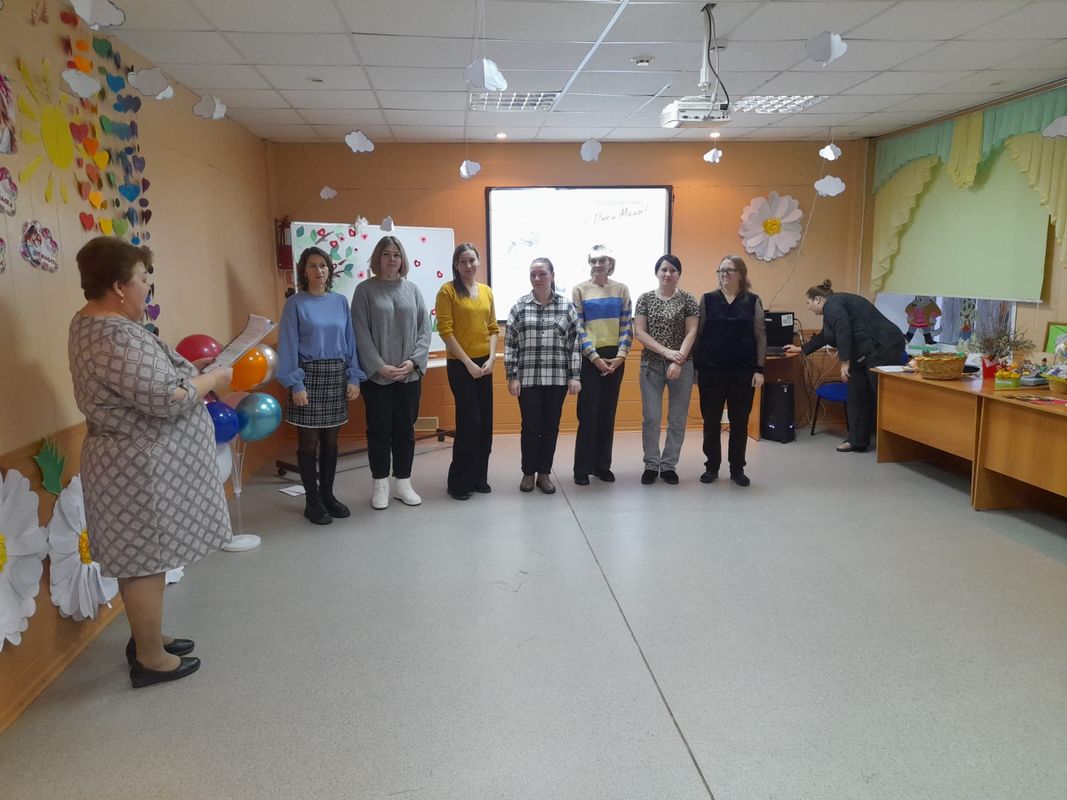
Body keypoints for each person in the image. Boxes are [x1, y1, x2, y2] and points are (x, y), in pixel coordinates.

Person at [68, 236, 234, 688]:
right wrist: (213, 380)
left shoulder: (91, 323)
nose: (147, 287)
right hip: (137, 469)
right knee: (145, 559)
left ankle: (146, 637)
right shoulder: (113, 334)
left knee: (139, 557)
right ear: (119, 287)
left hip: (125, 462)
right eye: (143, 279)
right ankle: (150, 659)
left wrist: (194, 371)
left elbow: (147, 382)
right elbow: (165, 399)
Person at [277, 247, 365, 525]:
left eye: (323, 265)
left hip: (336, 375)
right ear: (304, 272)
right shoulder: (295, 304)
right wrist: (296, 384)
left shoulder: (340, 302)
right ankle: (312, 501)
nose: (319, 270)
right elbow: (288, 344)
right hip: (308, 377)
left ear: (330, 270)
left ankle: (328, 495)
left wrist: (353, 376)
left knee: (331, 442)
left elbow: (350, 341)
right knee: (309, 443)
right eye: (313, 266)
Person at [351, 236, 430, 510]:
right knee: (379, 430)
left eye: (396, 254)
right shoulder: (364, 290)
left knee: (405, 430)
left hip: (409, 376)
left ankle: (403, 482)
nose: (392, 259)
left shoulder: (413, 290)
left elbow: (425, 330)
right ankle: (380, 483)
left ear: (402, 259)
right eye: (386, 254)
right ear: (378, 258)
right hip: (378, 378)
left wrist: (413, 362)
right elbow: (360, 332)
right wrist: (378, 366)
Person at [784, 279, 906, 453]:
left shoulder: (834, 305)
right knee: (856, 393)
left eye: (808, 303)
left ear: (818, 299)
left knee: (880, 392)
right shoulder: (833, 307)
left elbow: (844, 329)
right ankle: (857, 441)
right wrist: (801, 349)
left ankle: (899, 443)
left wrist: (845, 361)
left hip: (884, 346)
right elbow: (826, 335)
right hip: (865, 351)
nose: (808, 307)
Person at [504, 258, 581, 494]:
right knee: (530, 427)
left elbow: (575, 344)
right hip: (527, 380)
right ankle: (528, 472)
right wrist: (512, 376)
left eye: (542, 274)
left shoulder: (566, 307)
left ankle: (544, 473)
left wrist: (575, 376)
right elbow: (510, 344)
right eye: (533, 274)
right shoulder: (519, 307)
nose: (537, 279)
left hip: (557, 380)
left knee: (550, 427)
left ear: (552, 276)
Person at [694, 255, 766, 487]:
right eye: (721, 270)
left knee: (739, 422)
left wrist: (759, 369)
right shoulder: (707, 300)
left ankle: (737, 469)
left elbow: (760, 336)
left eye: (729, 270)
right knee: (711, 421)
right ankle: (711, 466)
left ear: (741, 274)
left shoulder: (752, 301)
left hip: (743, 372)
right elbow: (698, 334)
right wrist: (696, 367)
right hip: (711, 371)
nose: (724, 274)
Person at [435, 243, 498, 500]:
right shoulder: (448, 291)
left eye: (472, 260)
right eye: (463, 261)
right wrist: (468, 363)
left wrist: (492, 359)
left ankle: (479, 477)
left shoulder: (486, 291)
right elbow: (445, 331)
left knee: (485, 423)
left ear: (478, 262)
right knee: (470, 423)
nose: (468, 265)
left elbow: (493, 328)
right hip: (461, 364)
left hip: (485, 363)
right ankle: (459, 482)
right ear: (456, 265)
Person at [633, 254, 700, 485]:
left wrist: (677, 360)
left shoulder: (688, 299)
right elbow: (640, 332)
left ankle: (669, 465)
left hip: (682, 366)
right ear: (657, 272)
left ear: (679, 274)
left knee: (677, 419)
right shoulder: (644, 299)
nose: (668, 274)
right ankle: (651, 464)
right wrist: (667, 353)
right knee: (651, 417)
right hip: (650, 365)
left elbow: (692, 332)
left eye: (673, 270)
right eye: (664, 269)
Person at [571, 245, 632, 485]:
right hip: (590, 360)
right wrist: (595, 358)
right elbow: (579, 328)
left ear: (610, 264)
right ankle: (582, 468)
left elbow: (626, 325)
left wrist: (621, 356)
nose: (598, 265)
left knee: (607, 414)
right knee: (588, 414)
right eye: (594, 261)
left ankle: (602, 466)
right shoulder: (580, 290)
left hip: (615, 359)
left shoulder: (622, 289)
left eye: (602, 260)